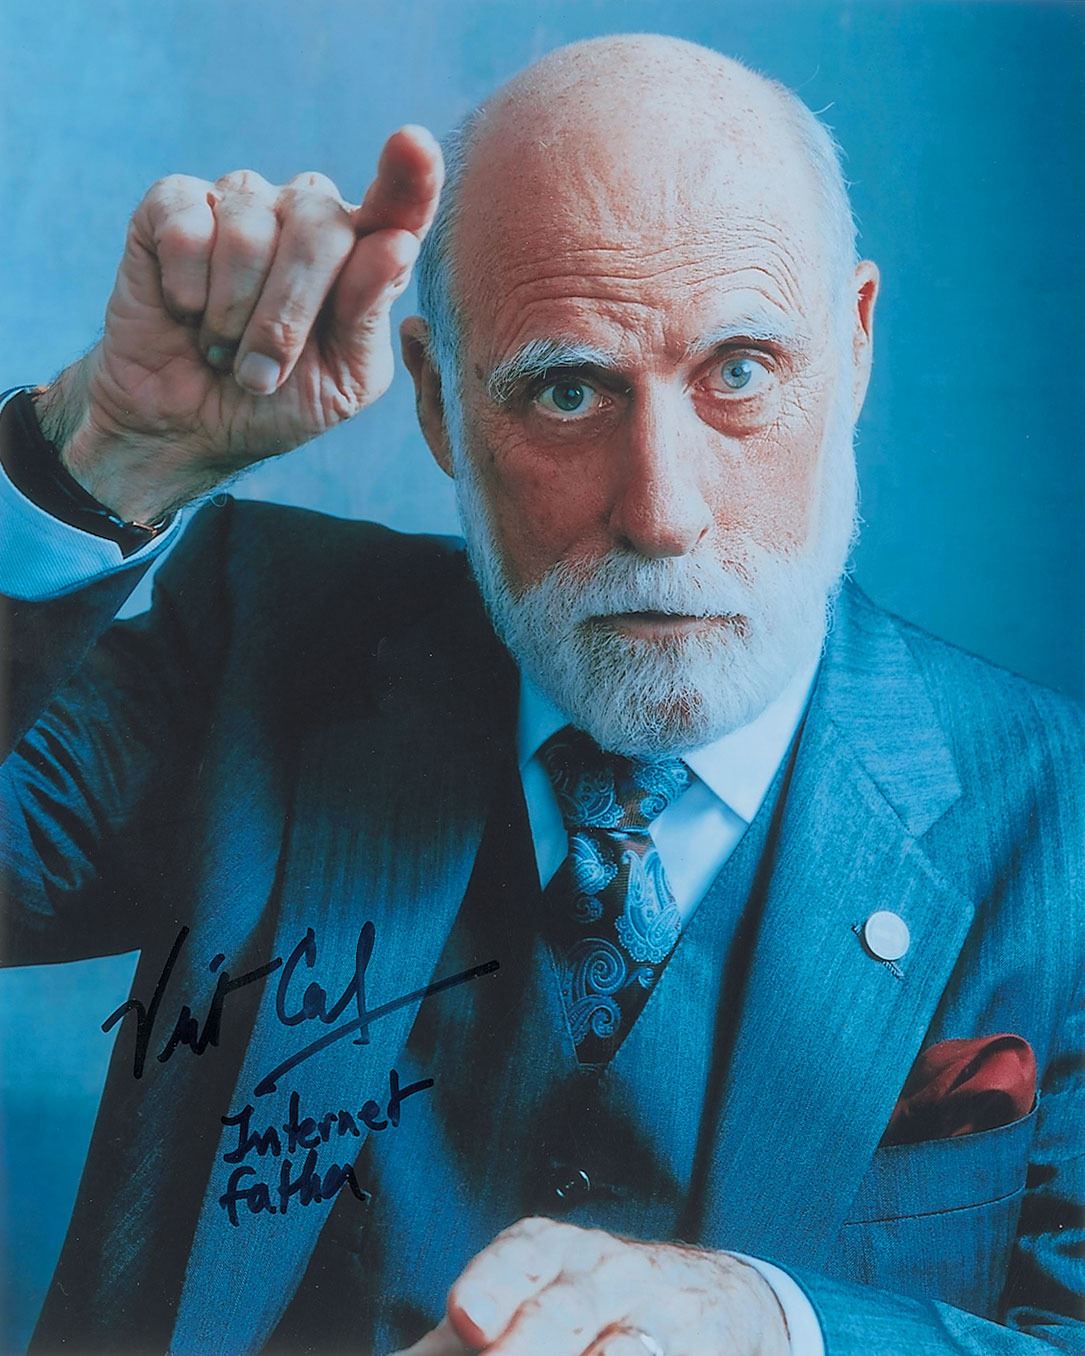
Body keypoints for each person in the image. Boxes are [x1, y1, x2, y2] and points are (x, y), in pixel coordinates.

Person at [1, 32, 1081, 1356]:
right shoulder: (257, 643)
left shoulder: (1061, 824)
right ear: (438, 402)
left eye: (740, 371)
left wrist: (780, 1328)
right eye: (567, 391)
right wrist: (104, 456)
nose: (663, 514)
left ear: (851, 349)